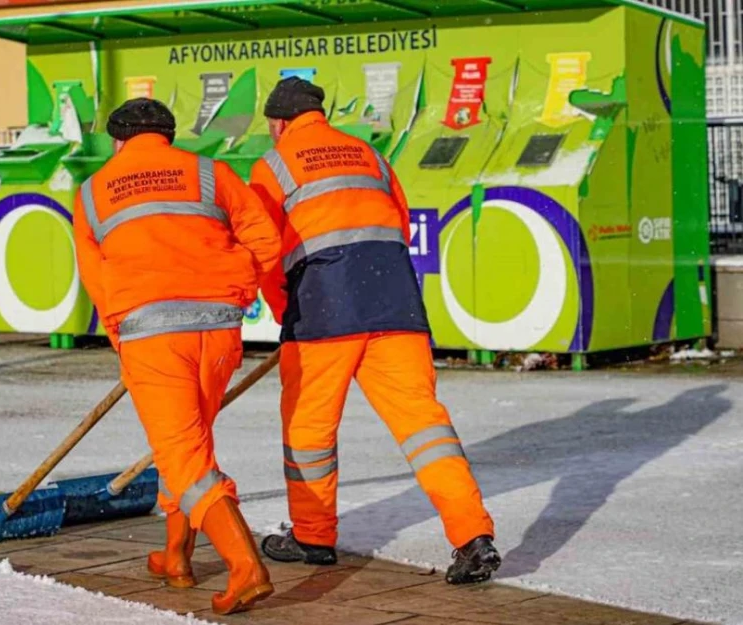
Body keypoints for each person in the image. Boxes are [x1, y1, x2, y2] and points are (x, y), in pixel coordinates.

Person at [248, 77, 501, 585]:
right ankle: (473, 537)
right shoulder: (367, 153)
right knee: (423, 426)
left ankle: (313, 537)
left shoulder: (272, 165)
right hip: (395, 303)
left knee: (309, 430)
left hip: (323, 308)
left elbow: (264, 249)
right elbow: (399, 224)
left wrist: (286, 308)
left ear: (278, 123)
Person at [73, 98, 281, 614]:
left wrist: (123, 337)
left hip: (152, 336)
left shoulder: (93, 193)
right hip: (218, 329)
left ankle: (245, 566)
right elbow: (266, 240)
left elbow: (96, 278)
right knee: (189, 445)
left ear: (119, 141)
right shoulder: (210, 173)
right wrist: (236, 287)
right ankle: (175, 555)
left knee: (184, 457)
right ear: (166, 136)